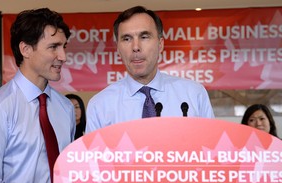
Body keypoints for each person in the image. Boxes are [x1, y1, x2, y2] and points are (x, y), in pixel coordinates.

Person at [0, 8, 76, 183]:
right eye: (54, 47)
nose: (63, 56)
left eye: (64, 46)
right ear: (26, 49)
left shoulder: (65, 108)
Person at [86, 5, 214, 132]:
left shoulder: (193, 94)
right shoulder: (99, 105)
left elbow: (211, 147)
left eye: (144, 37)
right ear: (118, 49)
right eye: (127, 39)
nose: (135, 47)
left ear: (160, 44)